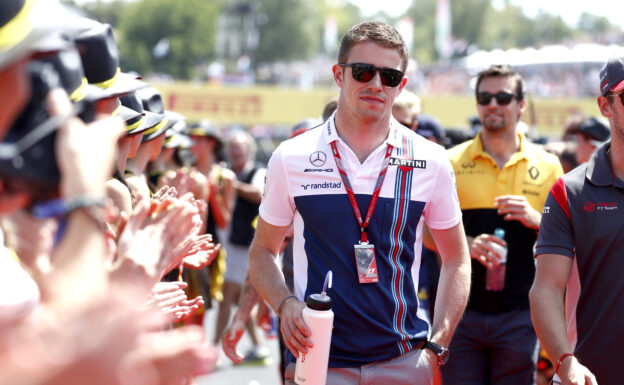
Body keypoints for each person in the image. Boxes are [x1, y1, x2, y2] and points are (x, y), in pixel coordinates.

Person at [248, 21, 471, 384]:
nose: (376, 85)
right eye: (364, 72)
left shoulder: (431, 160)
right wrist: (285, 304)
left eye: (390, 76)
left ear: (402, 84)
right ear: (339, 75)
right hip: (319, 360)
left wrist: (438, 344)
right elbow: (262, 252)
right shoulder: (292, 156)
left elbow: (457, 258)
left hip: (404, 358)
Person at [441, 64, 564, 385]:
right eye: (484, 97)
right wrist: (464, 244)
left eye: (503, 96)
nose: (493, 104)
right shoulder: (450, 162)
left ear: (521, 104)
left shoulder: (548, 165)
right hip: (460, 315)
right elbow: (424, 232)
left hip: (519, 315)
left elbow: (569, 238)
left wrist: (538, 220)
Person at [529, 52, 624, 385]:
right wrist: (565, 362)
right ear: (605, 105)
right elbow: (546, 290)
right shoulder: (570, 192)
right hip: (589, 376)